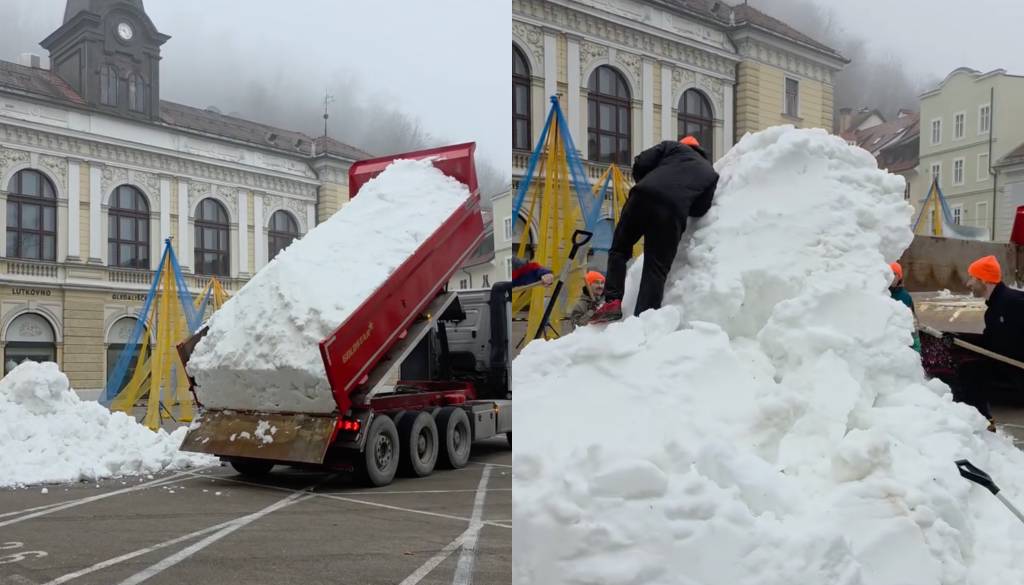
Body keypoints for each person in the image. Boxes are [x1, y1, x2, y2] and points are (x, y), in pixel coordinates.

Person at [590, 135, 719, 323]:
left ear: (682, 145)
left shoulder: (671, 147)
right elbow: (701, 209)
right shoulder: (710, 173)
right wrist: (682, 199)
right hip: (672, 212)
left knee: (620, 248)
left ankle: (613, 301)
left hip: (643, 196)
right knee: (655, 268)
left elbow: (641, 162)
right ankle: (644, 320)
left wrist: (648, 180)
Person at [950, 255, 1024, 431]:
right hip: (1006, 364)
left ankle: (980, 423)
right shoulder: (994, 308)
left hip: (1017, 370)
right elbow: (992, 341)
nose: (968, 284)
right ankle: (980, 420)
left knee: (970, 372)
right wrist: (958, 338)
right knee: (965, 367)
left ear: (984, 280)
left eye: (972, 278)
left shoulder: (1014, 302)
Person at [888, 262, 921, 353]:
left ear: (899, 277)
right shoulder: (881, 293)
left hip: (901, 340)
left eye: (894, 274)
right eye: (889, 273)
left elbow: (912, 321)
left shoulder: (904, 297)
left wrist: (916, 343)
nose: (891, 276)